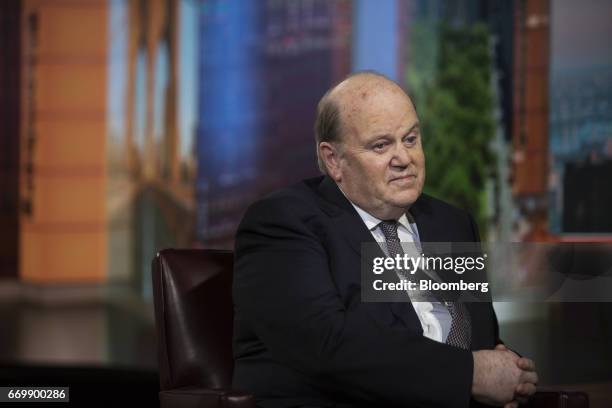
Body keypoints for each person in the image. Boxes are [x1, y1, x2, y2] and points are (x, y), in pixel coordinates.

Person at [232, 71, 538, 408]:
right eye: (381, 145)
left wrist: (511, 369)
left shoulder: (451, 223)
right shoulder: (284, 223)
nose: (404, 159)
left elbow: (479, 338)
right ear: (334, 160)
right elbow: (328, 345)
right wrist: (469, 374)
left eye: (410, 139)